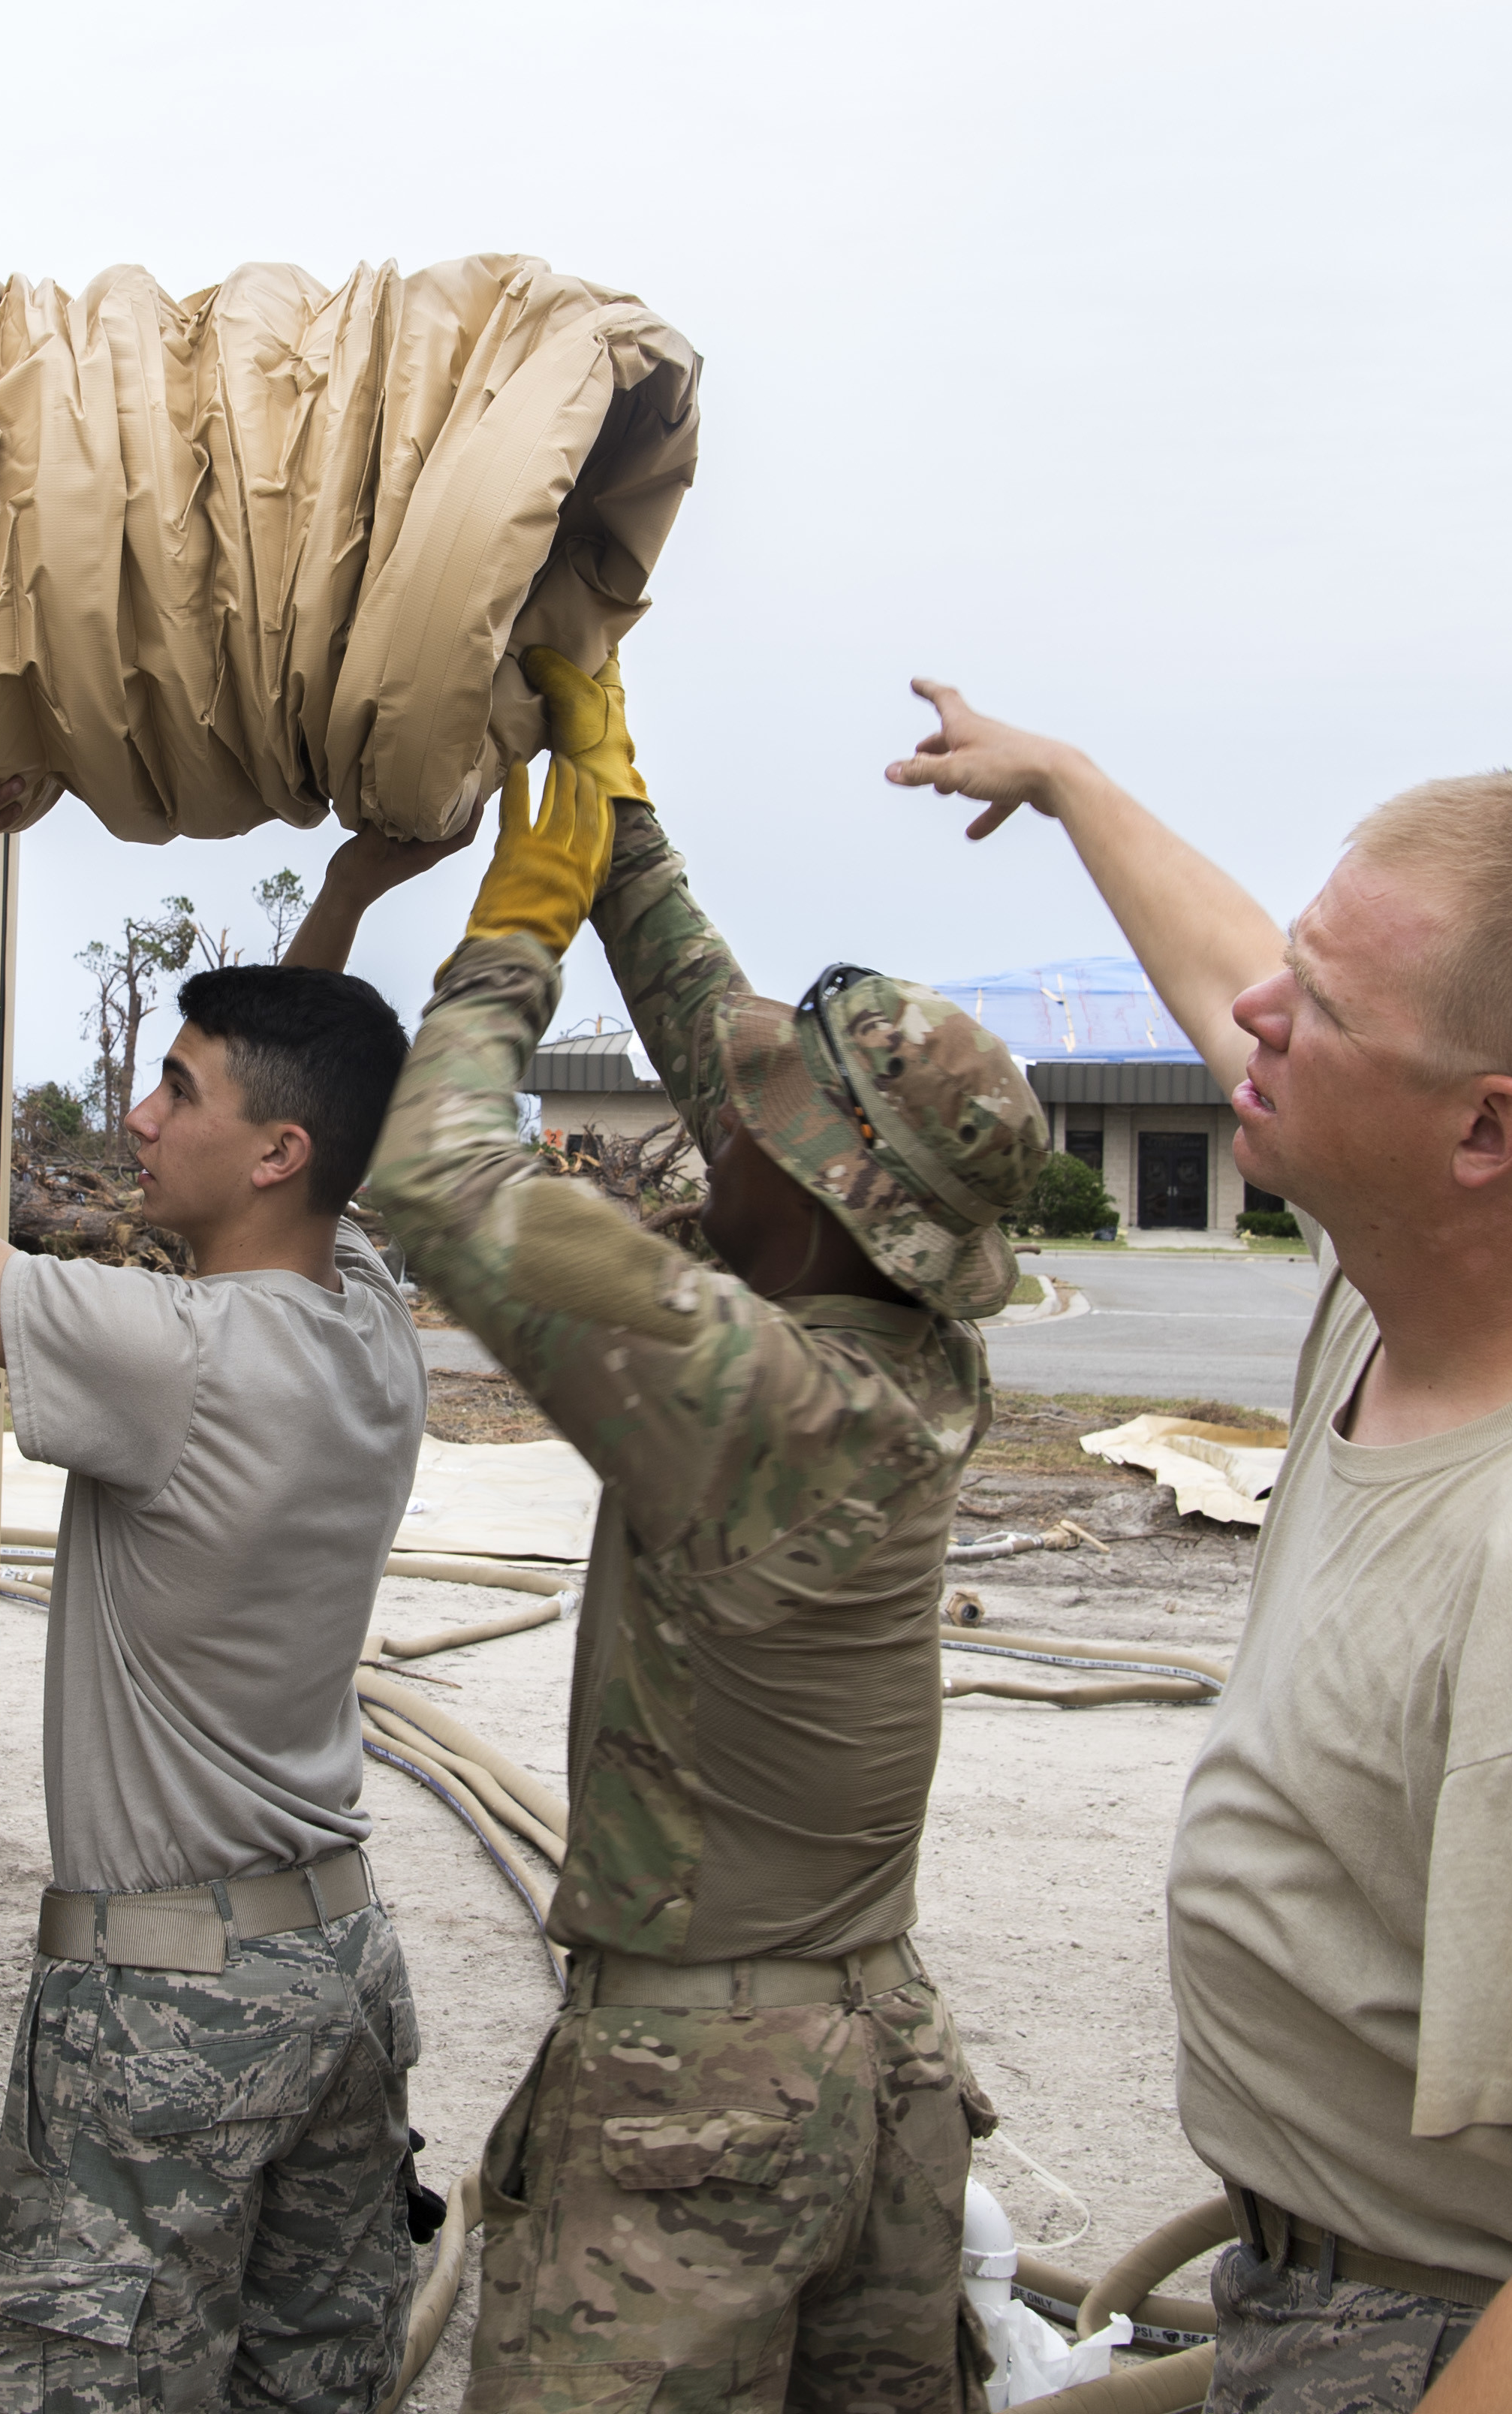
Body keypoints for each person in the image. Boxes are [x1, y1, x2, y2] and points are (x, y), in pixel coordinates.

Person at [888, 678, 1512, 2412]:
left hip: (1469, 2345)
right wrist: (1071, 785)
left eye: (1322, 1008)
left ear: (1487, 1128)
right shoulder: (1469, 1263)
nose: (1256, 1015)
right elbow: (1245, 979)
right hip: (1344, 2286)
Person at [372, 652, 1042, 2412]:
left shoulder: (760, 1403)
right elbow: (723, 1046)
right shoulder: (915, 1352)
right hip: (872, 2050)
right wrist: (622, 806)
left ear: (817, 1192)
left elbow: (436, 1175)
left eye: (756, 1126)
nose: (716, 1123)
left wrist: (513, 938)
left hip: (705, 2097)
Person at [0, 770, 433, 2413]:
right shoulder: (368, 1322)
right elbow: (310, 1101)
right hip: (339, 1969)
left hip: (170, 2002)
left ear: (276, 1153)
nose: (139, 1118)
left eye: (175, 1088)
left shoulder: (175, 1356)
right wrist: (343, 901)